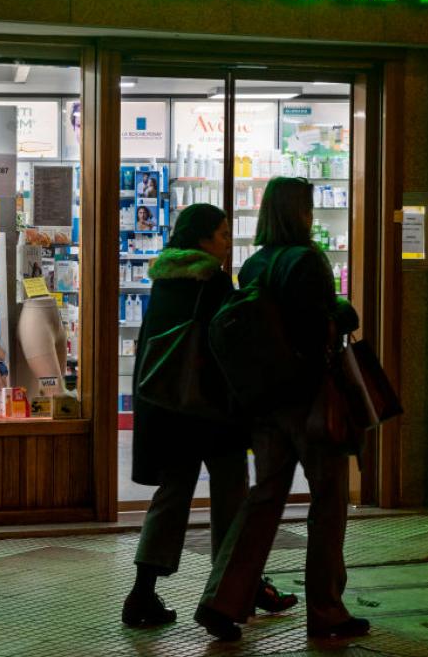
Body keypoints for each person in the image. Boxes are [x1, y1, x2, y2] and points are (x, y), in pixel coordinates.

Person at [194, 177, 364, 642]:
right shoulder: (307, 260)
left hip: (264, 404)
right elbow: (317, 330)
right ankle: (326, 611)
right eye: (308, 209)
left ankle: (223, 599)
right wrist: (342, 313)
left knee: (264, 498)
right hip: (309, 401)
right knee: (328, 501)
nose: (312, 216)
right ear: (300, 213)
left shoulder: (254, 264)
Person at [123, 204, 296, 629]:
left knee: (171, 498)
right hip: (213, 412)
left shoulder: (164, 282)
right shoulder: (212, 283)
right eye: (221, 234)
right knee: (231, 503)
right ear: (202, 240)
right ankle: (234, 590)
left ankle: (141, 593)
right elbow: (233, 347)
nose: (225, 242)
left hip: (171, 411)